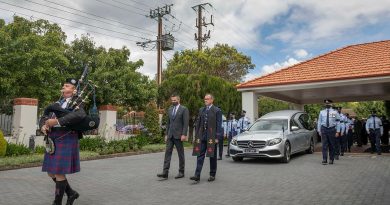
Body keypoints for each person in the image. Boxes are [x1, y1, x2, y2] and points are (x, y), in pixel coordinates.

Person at [40, 78, 85, 205]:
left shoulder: (78, 102)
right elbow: (45, 116)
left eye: (67, 85)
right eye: (64, 85)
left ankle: (57, 202)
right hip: (53, 138)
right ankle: (71, 193)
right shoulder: (58, 103)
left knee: (59, 172)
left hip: (67, 137)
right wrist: (43, 126)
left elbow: (80, 115)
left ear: (74, 90)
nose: (64, 87)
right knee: (51, 172)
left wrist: (57, 121)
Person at [190, 94, 223, 183]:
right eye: (204, 99)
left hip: (212, 137)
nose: (205, 100)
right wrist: (196, 135)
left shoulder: (217, 110)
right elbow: (198, 123)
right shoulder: (201, 110)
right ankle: (197, 175)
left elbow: (219, 125)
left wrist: (217, 137)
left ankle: (212, 174)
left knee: (212, 156)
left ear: (212, 100)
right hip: (202, 136)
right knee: (200, 155)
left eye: (207, 99)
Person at [157, 94, 189, 179]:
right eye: (172, 100)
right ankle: (165, 172)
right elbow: (168, 123)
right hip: (170, 135)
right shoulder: (170, 109)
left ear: (178, 100)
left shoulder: (184, 109)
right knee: (167, 153)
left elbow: (186, 123)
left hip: (179, 135)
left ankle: (181, 172)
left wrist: (184, 134)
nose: (173, 102)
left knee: (180, 154)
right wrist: (166, 134)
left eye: (174, 100)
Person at [317, 99, 340, 165]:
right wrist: (319, 130)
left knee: (332, 145)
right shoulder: (321, 112)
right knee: (324, 145)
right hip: (324, 129)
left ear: (331, 104)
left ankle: (331, 159)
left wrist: (338, 131)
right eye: (326, 103)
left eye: (328, 103)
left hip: (332, 129)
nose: (327, 104)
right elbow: (319, 122)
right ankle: (324, 159)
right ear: (325, 104)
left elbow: (338, 122)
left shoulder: (334, 112)